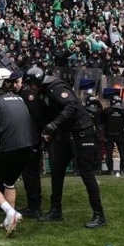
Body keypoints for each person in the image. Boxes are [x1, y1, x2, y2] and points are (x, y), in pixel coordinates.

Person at [38, 74, 106, 229]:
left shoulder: (57, 89)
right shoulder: (48, 92)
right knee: (57, 171)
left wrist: (54, 125)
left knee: (86, 173)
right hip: (67, 134)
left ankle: (99, 214)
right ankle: (56, 210)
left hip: (81, 133)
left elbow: (71, 105)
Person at [0, 68, 34, 236]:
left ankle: (10, 212)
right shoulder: (20, 99)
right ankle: (9, 221)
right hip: (27, 146)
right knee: (10, 182)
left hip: (9, 147)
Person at [18, 66, 48, 217]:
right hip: (33, 138)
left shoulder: (30, 97)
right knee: (31, 174)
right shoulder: (33, 96)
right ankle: (34, 205)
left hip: (31, 140)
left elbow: (37, 119)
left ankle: (34, 206)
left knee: (31, 174)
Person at [101, 94, 124, 174]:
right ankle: (122, 169)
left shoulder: (107, 110)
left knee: (109, 152)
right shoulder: (123, 111)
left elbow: (103, 121)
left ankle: (110, 170)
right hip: (120, 133)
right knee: (122, 152)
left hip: (109, 134)